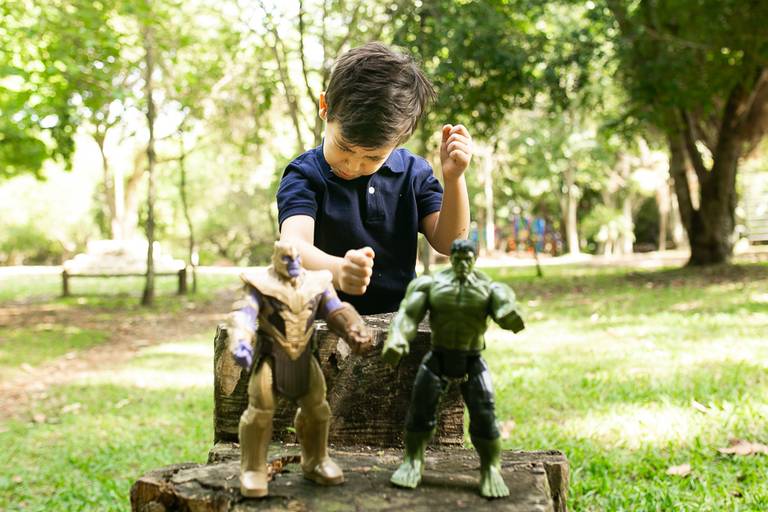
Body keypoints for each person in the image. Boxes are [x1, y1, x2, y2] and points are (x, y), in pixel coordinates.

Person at [277, 42, 472, 314]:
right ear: (325, 107)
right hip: (323, 322)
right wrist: (337, 271)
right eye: (344, 147)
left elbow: (450, 244)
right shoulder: (305, 175)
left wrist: (454, 179)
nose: (353, 165)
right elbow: (292, 246)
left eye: (373, 157)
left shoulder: (413, 174)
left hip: (401, 322)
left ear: (398, 141)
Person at [381, 239, 525, 498]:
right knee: (420, 410)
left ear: (475, 259)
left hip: (472, 359)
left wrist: (510, 316)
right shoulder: (432, 284)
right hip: (439, 356)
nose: (462, 263)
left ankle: (491, 468)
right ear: (451, 258)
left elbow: (505, 307)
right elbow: (407, 315)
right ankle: (413, 461)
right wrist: (397, 339)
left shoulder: (489, 288)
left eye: (468, 258)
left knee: (485, 414)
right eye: (458, 258)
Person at [228, 241, 373, 497]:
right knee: (260, 410)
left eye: (296, 258)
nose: (293, 263)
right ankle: (253, 468)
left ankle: (316, 459)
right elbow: (244, 315)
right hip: (271, 356)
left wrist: (354, 329)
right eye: (287, 259)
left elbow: (336, 310)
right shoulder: (259, 285)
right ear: (276, 259)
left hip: (305, 357)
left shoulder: (317, 283)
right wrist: (241, 340)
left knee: (317, 408)